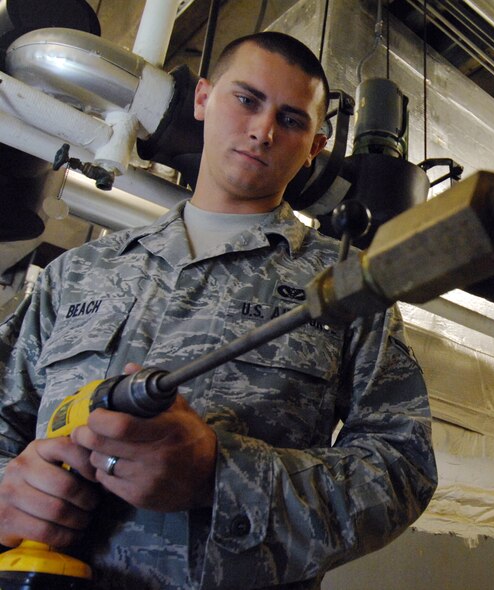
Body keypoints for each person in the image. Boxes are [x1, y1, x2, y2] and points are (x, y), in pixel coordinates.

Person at [0, 31, 437, 589]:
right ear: (203, 99)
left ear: (315, 147)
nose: (262, 130)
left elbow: (403, 469)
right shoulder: (78, 273)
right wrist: (9, 493)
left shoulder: (345, 288)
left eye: (292, 120)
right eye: (246, 99)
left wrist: (219, 475)